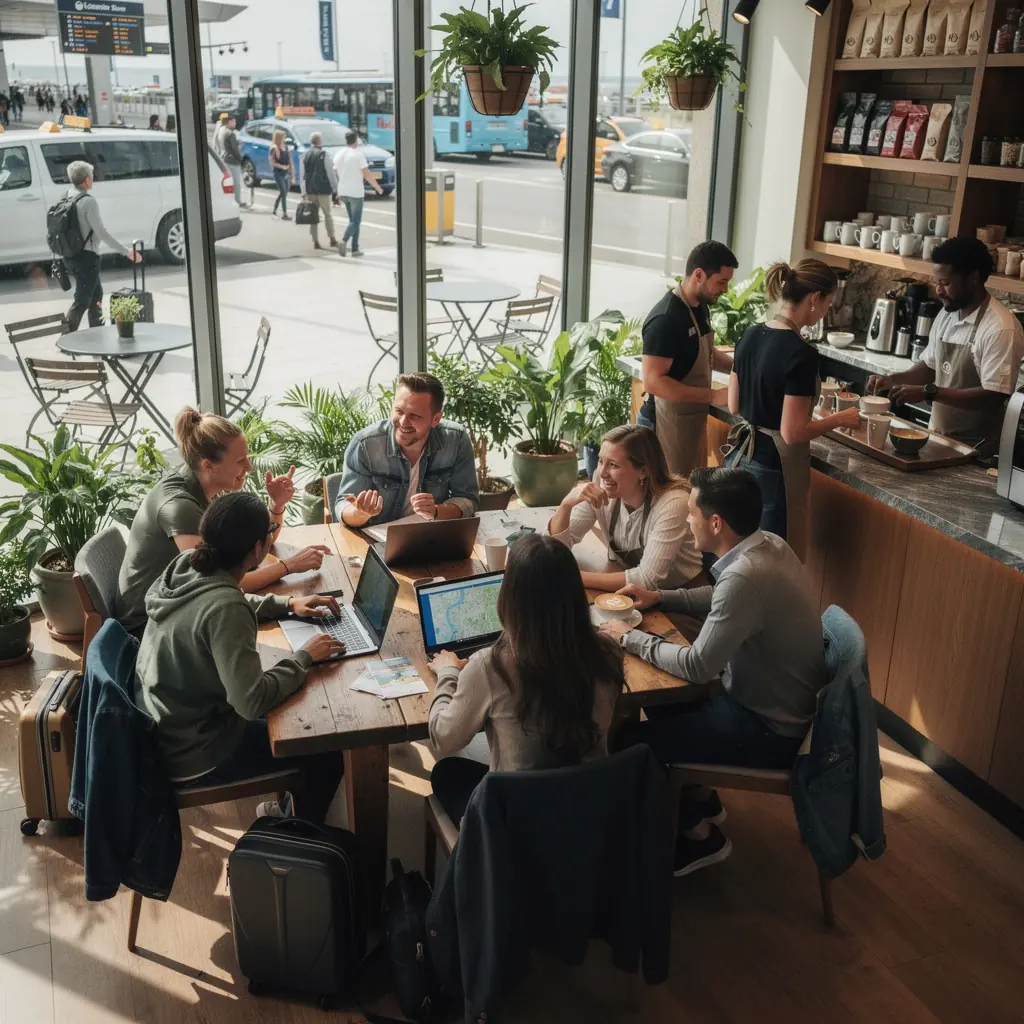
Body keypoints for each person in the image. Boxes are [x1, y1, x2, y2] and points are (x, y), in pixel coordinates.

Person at [599, 467, 827, 877]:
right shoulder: (767, 545)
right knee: (666, 706)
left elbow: (698, 665)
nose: (688, 522)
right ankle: (699, 797)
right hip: (783, 707)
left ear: (715, 522)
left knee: (628, 741)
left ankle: (699, 837)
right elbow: (723, 594)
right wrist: (660, 596)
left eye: (690, 514)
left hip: (768, 730)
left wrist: (626, 637)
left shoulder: (745, 577)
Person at [135, 491, 347, 824]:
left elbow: (222, 601)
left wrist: (288, 605)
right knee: (326, 752)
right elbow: (251, 701)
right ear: (258, 549)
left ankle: (290, 814)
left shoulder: (187, 563)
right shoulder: (225, 608)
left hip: (166, 723)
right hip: (195, 752)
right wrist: (304, 658)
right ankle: (292, 838)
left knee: (294, 717)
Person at [427, 532, 626, 825]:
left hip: (517, 825)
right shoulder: (609, 651)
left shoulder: (490, 666)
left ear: (509, 596)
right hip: (588, 812)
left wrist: (447, 673)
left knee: (446, 772)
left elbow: (443, 739)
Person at [117, 407, 330, 635]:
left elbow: (254, 546)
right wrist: (288, 567)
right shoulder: (181, 508)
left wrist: (276, 505)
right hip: (150, 627)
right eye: (240, 460)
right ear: (209, 465)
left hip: (182, 606)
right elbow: (222, 583)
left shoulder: (206, 485)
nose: (249, 467)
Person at [725, 259, 860, 560]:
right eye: (828, 304)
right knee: (774, 559)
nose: (827, 312)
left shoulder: (749, 334)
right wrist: (840, 419)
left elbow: (734, 405)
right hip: (773, 468)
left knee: (740, 554)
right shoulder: (801, 353)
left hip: (740, 459)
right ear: (815, 299)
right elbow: (793, 432)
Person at [867, 236, 1024, 457]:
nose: (939, 291)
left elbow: (993, 396)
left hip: (976, 451)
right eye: (937, 282)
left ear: (973, 278)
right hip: (938, 438)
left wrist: (929, 392)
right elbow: (930, 366)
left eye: (946, 283)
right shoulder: (947, 314)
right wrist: (893, 379)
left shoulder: (1000, 328)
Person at [548, 424, 703, 593]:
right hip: (631, 587)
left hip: (680, 597)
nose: (602, 473)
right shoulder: (602, 488)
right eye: (601, 461)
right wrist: (566, 505)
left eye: (613, 465)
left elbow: (646, 579)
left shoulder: (673, 503)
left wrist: (573, 577)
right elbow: (554, 549)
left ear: (643, 471)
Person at [637, 241, 738, 477]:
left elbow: (705, 354)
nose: (725, 289)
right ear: (699, 275)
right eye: (721, 281)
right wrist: (713, 395)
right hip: (661, 425)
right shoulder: (666, 319)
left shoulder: (700, 307)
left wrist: (742, 367)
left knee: (685, 492)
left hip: (688, 421)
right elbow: (652, 381)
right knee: (664, 497)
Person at [337, 371, 479, 527]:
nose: (403, 422)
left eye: (415, 416)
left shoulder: (456, 439)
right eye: (399, 411)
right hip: (376, 539)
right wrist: (360, 513)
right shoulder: (365, 444)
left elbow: (468, 499)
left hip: (433, 535)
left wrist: (436, 511)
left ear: (436, 419)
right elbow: (343, 508)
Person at [61, 160, 142, 333]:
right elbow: (102, 232)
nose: (93, 178)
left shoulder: (68, 194)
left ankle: (97, 334)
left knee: (96, 296)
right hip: (87, 257)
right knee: (82, 300)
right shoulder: (88, 202)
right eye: (91, 176)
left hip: (71, 254)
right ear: (86, 180)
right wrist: (126, 251)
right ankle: (65, 338)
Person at [333, 129, 383, 257]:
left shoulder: (339, 154)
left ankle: (355, 248)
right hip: (355, 191)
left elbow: (336, 173)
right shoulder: (358, 155)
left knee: (353, 221)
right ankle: (344, 241)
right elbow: (367, 174)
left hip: (343, 190)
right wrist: (378, 188)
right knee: (355, 221)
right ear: (356, 140)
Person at [302, 130, 339, 250]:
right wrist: (335, 188)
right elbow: (330, 172)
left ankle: (315, 241)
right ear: (320, 141)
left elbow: (303, 175)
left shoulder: (304, 154)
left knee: (314, 216)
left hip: (310, 190)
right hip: (323, 189)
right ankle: (332, 238)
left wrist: (303, 192)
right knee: (327, 214)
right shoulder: (324, 154)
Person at [218, 115, 246, 209]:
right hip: (233, 160)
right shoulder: (231, 134)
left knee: (229, 181)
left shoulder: (223, 131)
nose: (235, 123)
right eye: (233, 121)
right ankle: (237, 201)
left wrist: (236, 143)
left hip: (225, 158)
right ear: (229, 122)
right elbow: (235, 149)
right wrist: (240, 159)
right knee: (236, 182)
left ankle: (230, 201)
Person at [270, 128, 294, 220]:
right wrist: (281, 166)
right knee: (283, 192)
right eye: (283, 137)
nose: (284, 138)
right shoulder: (274, 148)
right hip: (278, 173)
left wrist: (292, 175)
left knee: (284, 193)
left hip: (286, 172)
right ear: (279, 138)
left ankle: (274, 210)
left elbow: (290, 161)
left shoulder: (286, 146)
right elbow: (272, 162)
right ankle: (284, 214)